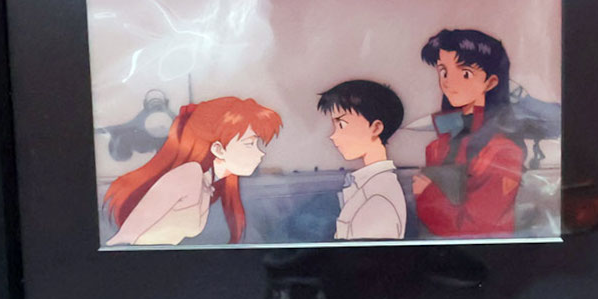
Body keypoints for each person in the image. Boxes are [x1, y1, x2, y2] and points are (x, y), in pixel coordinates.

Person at [103, 96, 281, 246]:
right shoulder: (189, 174)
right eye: (250, 144)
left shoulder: (212, 183)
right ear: (218, 149)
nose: (261, 153)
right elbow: (123, 240)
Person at [412, 28, 526, 238]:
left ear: (491, 82)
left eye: (465, 73)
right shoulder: (438, 145)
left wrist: (427, 193)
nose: (449, 82)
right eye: (444, 72)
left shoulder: (502, 150)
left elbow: (479, 227)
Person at [317, 79, 406, 241]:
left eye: (341, 124)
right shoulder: (370, 185)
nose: (333, 135)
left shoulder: (377, 196)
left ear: (376, 128)